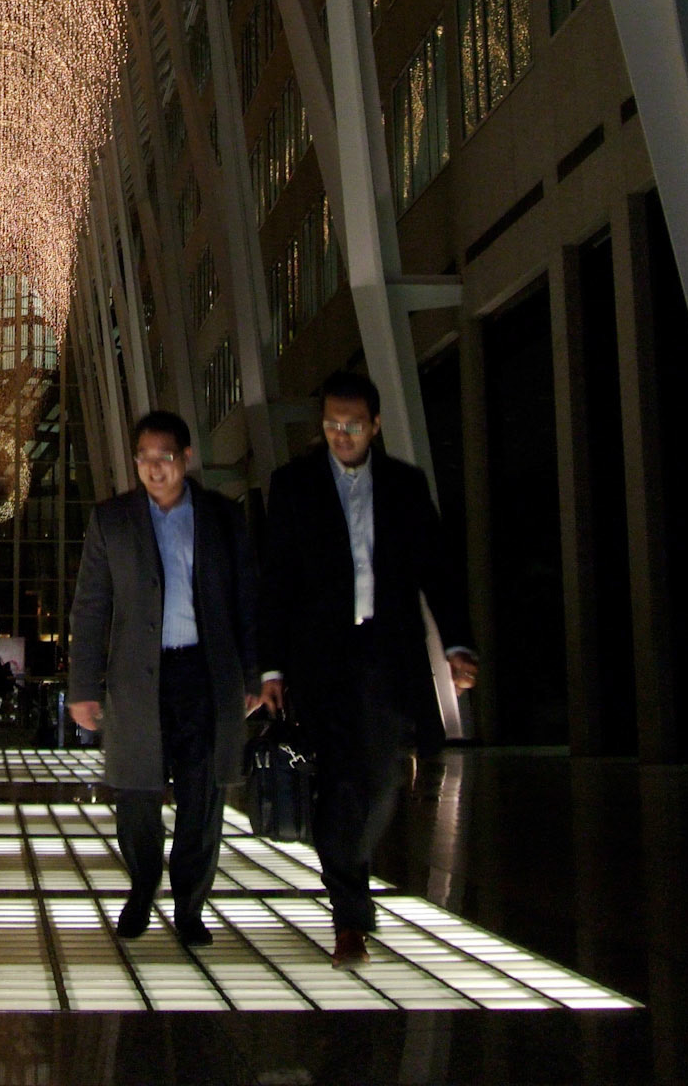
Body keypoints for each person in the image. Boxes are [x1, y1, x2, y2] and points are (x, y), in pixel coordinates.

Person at [260, 370, 477, 968]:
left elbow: (437, 568)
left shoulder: (406, 486)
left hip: (387, 654)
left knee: (379, 781)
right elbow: (275, 581)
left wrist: (458, 642)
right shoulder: (294, 486)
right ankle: (350, 916)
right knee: (337, 782)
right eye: (331, 424)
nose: (341, 434)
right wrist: (271, 667)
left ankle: (347, 876)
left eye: (353, 425)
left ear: (375, 426)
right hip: (319, 660)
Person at [69, 409, 261, 947]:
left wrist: (252, 674)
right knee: (135, 795)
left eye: (165, 458)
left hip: (204, 673)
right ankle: (141, 888)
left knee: (203, 797)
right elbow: (90, 608)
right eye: (145, 459)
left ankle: (190, 904)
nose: (154, 469)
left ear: (186, 459)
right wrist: (82, 687)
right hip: (137, 680)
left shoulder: (223, 517)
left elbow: (247, 601)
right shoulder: (112, 520)